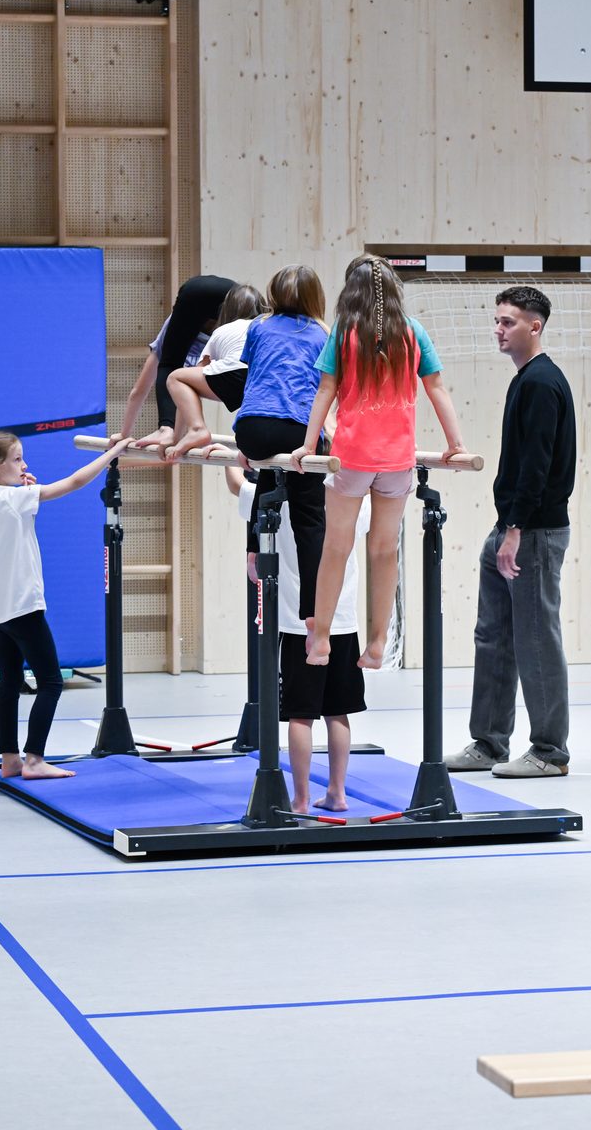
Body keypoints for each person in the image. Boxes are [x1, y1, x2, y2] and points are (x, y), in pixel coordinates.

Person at [292, 255, 466, 670]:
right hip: (395, 461)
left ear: (351, 291)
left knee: (336, 546)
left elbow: (325, 392)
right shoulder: (412, 332)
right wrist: (455, 443)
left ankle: (320, 641)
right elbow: (437, 388)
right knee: (385, 549)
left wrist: (306, 445)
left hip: (351, 459)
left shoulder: (344, 333)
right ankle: (377, 644)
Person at [445, 286, 577, 778]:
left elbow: (538, 466)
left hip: (533, 533)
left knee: (536, 639)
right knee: (493, 636)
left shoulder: (542, 383)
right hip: (509, 527)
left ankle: (548, 751)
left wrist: (517, 529)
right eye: (497, 321)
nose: (498, 330)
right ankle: (489, 742)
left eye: (508, 322)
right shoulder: (524, 380)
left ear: (534, 326)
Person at [0, 429, 130, 781]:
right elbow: (76, 481)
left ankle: (10, 760)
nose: (25, 465)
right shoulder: (14, 499)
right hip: (24, 609)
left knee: (10, 682)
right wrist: (114, 452)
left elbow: (16, 519)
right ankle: (34, 760)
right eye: (17, 459)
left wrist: (23, 489)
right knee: (50, 681)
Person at [224, 466, 366, 815]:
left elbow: (237, 487)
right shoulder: (351, 501)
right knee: (337, 712)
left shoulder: (284, 501)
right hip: (341, 621)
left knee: (301, 716)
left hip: (299, 624)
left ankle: (301, 800)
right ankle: (337, 792)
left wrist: (234, 455)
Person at [232, 266, 330, 621]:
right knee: (309, 516)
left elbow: (254, 378)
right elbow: (322, 389)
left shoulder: (257, 326)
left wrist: (247, 441)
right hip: (295, 431)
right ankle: (312, 608)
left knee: (270, 473)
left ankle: (253, 550)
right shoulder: (323, 333)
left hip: (252, 430)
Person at [112, 274, 238, 447]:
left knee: (169, 366)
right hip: (238, 295)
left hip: (198, 292)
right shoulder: (219, 342)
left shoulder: (172, 333)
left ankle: (166, 429)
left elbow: (139, 391)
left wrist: (125, 433)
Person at [162, 283, 268, 463]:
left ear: (227, 309)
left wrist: (176, 437)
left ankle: (197, 429)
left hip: (234, 375)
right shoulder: (265, 329)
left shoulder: (222, 330)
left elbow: (192, 381)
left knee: (176, 378)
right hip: (260, 385)